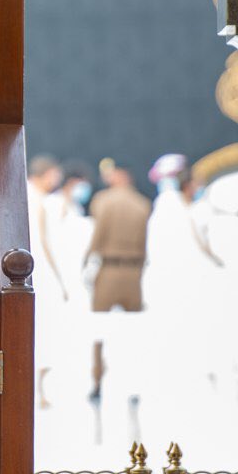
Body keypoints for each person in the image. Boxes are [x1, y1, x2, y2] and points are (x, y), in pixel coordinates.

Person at [84, 160, 150, 400]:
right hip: (133, 272)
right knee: (133, 331)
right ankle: (133, 384)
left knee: (99, 330)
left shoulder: (103, 201)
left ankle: (97, 381)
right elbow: (145, 243)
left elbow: (97, 236)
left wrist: (86, 262)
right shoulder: (142, 204)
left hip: (108, 270)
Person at [27, 154, 66, 409]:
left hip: (24, 268)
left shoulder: (23, 193)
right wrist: (60, 278)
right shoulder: (38, 201)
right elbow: (44, 243)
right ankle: (38, 391)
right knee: (42, 331)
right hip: (39, 270)